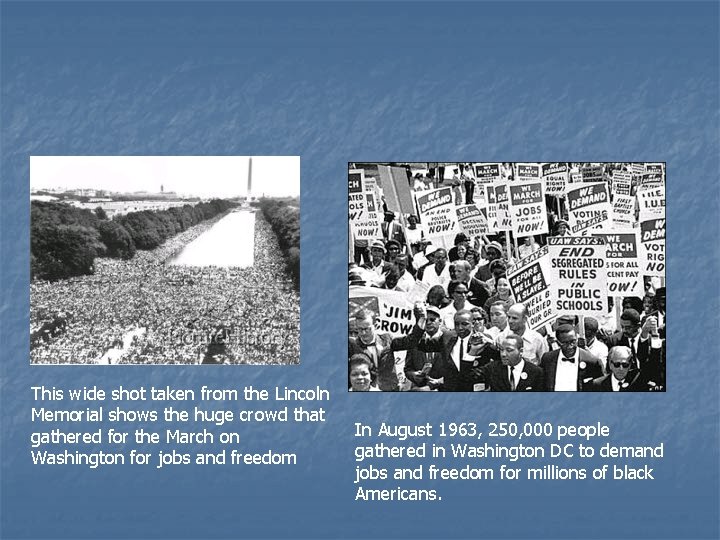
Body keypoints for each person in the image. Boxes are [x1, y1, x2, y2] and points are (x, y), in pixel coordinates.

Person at [348, 307, 426, 391]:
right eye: (359, 329)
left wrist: (420, 319)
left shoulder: (387, 339)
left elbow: (410, 342)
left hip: (390, 390)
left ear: (376, 324)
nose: (363, 333)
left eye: (367, 329)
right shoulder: (352, 345)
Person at [436, 310, 497, 391]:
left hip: (475, 391)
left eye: (464, 324)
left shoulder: (482, 339)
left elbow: (499, 358)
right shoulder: (447, 337)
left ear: (472, 324)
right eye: (457, 324)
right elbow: (420, 344)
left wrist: (491, 343)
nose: (460, 328)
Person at [540, 324, 603, 391]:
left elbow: (600, 386)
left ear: (577, 338)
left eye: (573, 341)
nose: (570, 346)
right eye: (565, 343)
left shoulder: (591, 361)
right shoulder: (548, 359)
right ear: (558, 342)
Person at [477, 334, 544, 391]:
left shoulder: (536, 372)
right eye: (501, 350)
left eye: (509, 350)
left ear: (520, 351)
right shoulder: (492, 368)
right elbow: (469, 378)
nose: (503, 354)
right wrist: (472, 352)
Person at [403, 306, 446, 390]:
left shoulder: (449, 339)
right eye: (426, 320)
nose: (428, 323)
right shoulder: (414, 340)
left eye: (432, 320)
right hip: (419, 390)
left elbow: (456, 370)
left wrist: (439, 381)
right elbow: (408, 368)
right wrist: (414, 375)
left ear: (440, 321)